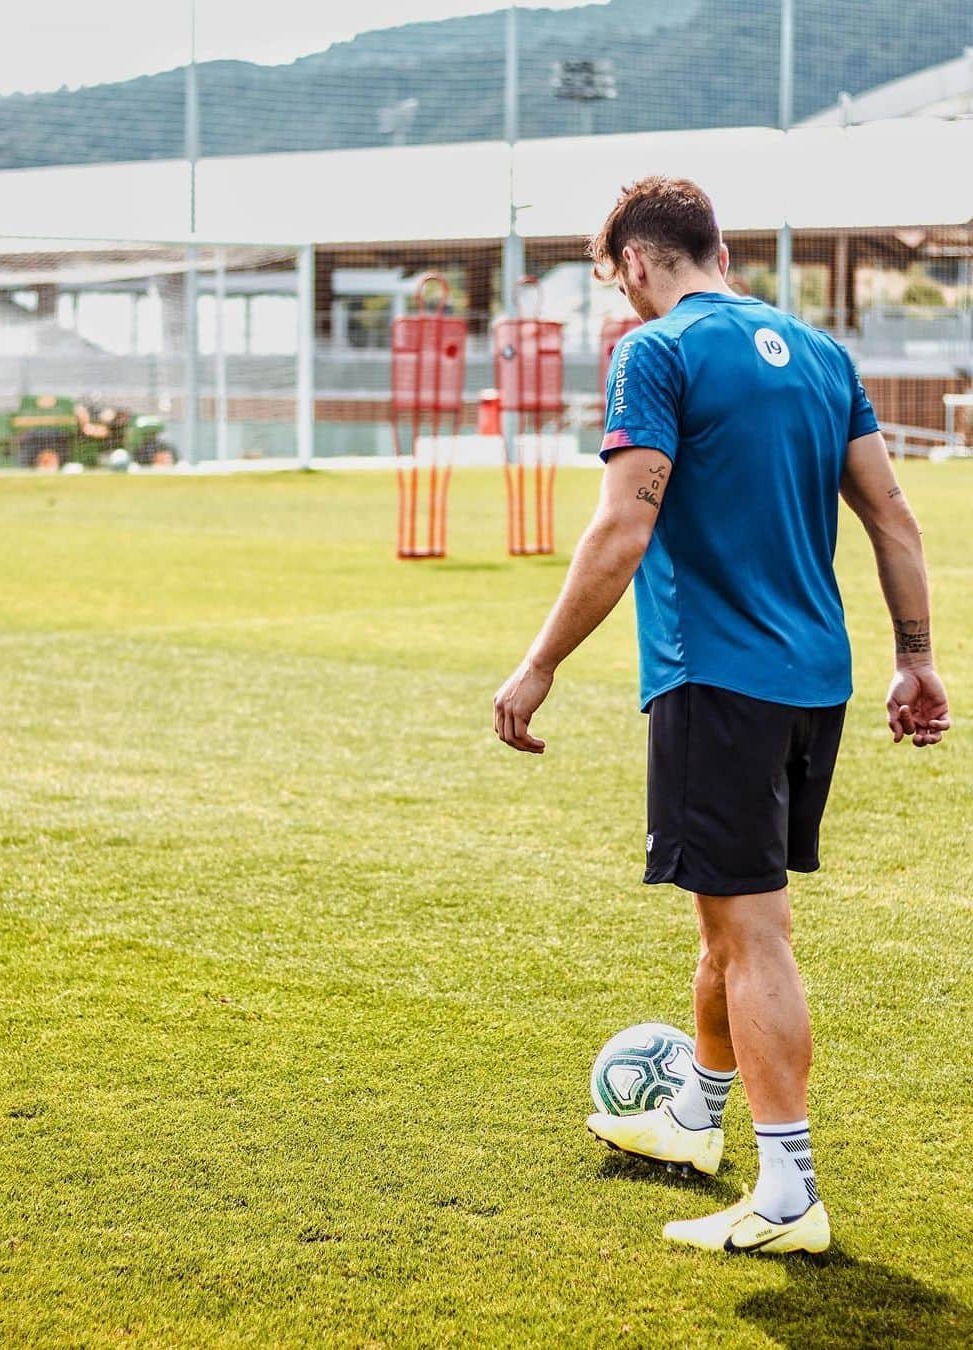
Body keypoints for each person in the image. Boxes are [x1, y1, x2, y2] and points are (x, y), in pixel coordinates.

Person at [492, 176, 951, 1255]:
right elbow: (894, 515)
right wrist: (917, 660)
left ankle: (788, 1192)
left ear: (637, 266)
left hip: (718, 680)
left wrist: (539, 663)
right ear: (723, 252)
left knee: (751, 935)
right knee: (732, 915)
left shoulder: (656, 354)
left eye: (617, 282)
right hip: (816, 682)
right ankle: (695, 1117)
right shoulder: (821, 354)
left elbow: (620, 532)